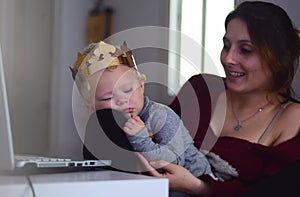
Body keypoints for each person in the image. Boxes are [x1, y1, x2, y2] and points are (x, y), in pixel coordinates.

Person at [138, 1, 300, 196]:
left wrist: (196, 187)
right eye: (226, 46)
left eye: (245, 50)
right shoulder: (200, 91)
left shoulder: (293, 119)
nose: (228, 58)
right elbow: (153, 136)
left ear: (278, 59)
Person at [70, 41, 236, 180]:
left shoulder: (160, 116)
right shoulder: (107, 124)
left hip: (193, 180)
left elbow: (175, 163)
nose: (122, 100)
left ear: (141, 87)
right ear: (90, 106)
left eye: (128, 90)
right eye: (107, 98)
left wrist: (140, 138)